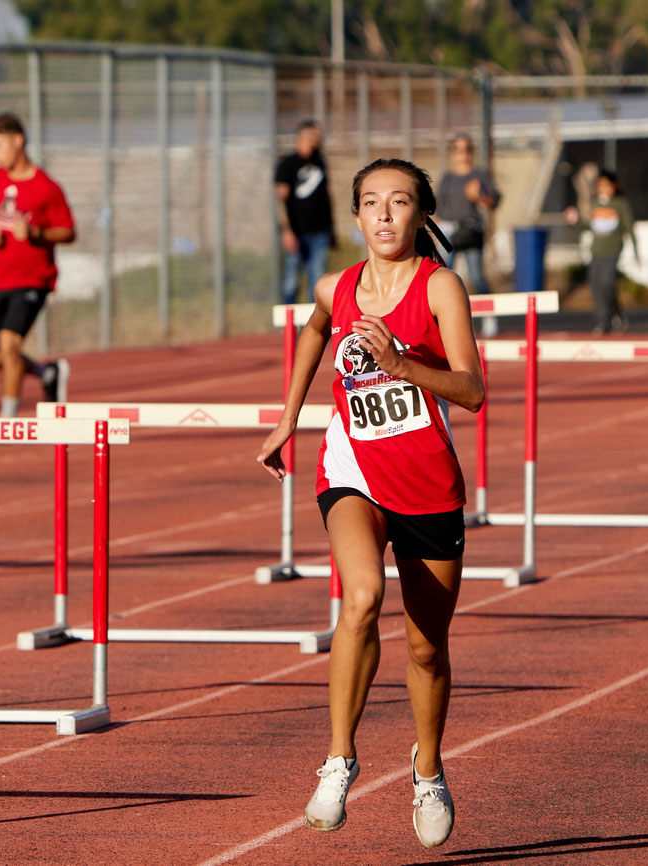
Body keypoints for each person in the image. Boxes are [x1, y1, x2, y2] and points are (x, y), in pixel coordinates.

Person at [257, 158, 483, 849]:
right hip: (352, 465)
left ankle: (428, 768)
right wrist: (289, 414)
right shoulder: (338, 285)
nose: (385, 215)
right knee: (360, 597)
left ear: (421, 214)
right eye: (372, 203)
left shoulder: (441, 287)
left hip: (426, 482)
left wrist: (402, 366)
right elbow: (315, 328)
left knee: (425, 648)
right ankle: (338, 760)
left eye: (400, 202)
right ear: (355, 216)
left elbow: (472, 390)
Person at [0, 112, 75, 417]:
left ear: (19, 141)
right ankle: (46, 373)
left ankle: (7, 421)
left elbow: (68, 231)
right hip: (0, 280)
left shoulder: (46, 187)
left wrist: (36, 232)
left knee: (9, 343)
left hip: (33, 280)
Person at [435, 134, 501, 337]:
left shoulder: (479, 175)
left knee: (476, 276)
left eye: (466, 149)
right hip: (448, 231)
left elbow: (495, 200)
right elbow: (437, 206)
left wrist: (480, 196)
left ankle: (489, 317)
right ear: (452, 153)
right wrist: (438, 229)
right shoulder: (447, 178)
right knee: (443, 275)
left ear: (471, 152)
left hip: (471, 230)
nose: (462, 154)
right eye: (458, 149)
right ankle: (441, 321)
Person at [566, 169, 640, 335]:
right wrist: (575, 220)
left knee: (607, 283)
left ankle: (616, 313)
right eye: (601, 185)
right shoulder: (595, 203)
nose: (604, 188)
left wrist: (637, 254)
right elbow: (587, 226)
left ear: (614, 186)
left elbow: (630, 229)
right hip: (596, 251)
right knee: (596, 286)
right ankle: (602, 321)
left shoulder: (621, 204)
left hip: (612, 251)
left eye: (607, 185)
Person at [275, 120, 335, 305]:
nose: (317, 141)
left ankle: (314, 325)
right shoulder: (287, 163)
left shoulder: (320, 163)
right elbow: (280, 199)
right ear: (302, 137)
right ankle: (287, 327)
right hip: (296, 232)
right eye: (313, 136)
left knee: (317, 280)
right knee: (291, 280)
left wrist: (331, 230)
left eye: (319, 137)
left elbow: (326, 197)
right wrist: (286, 230)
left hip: (319, 232)